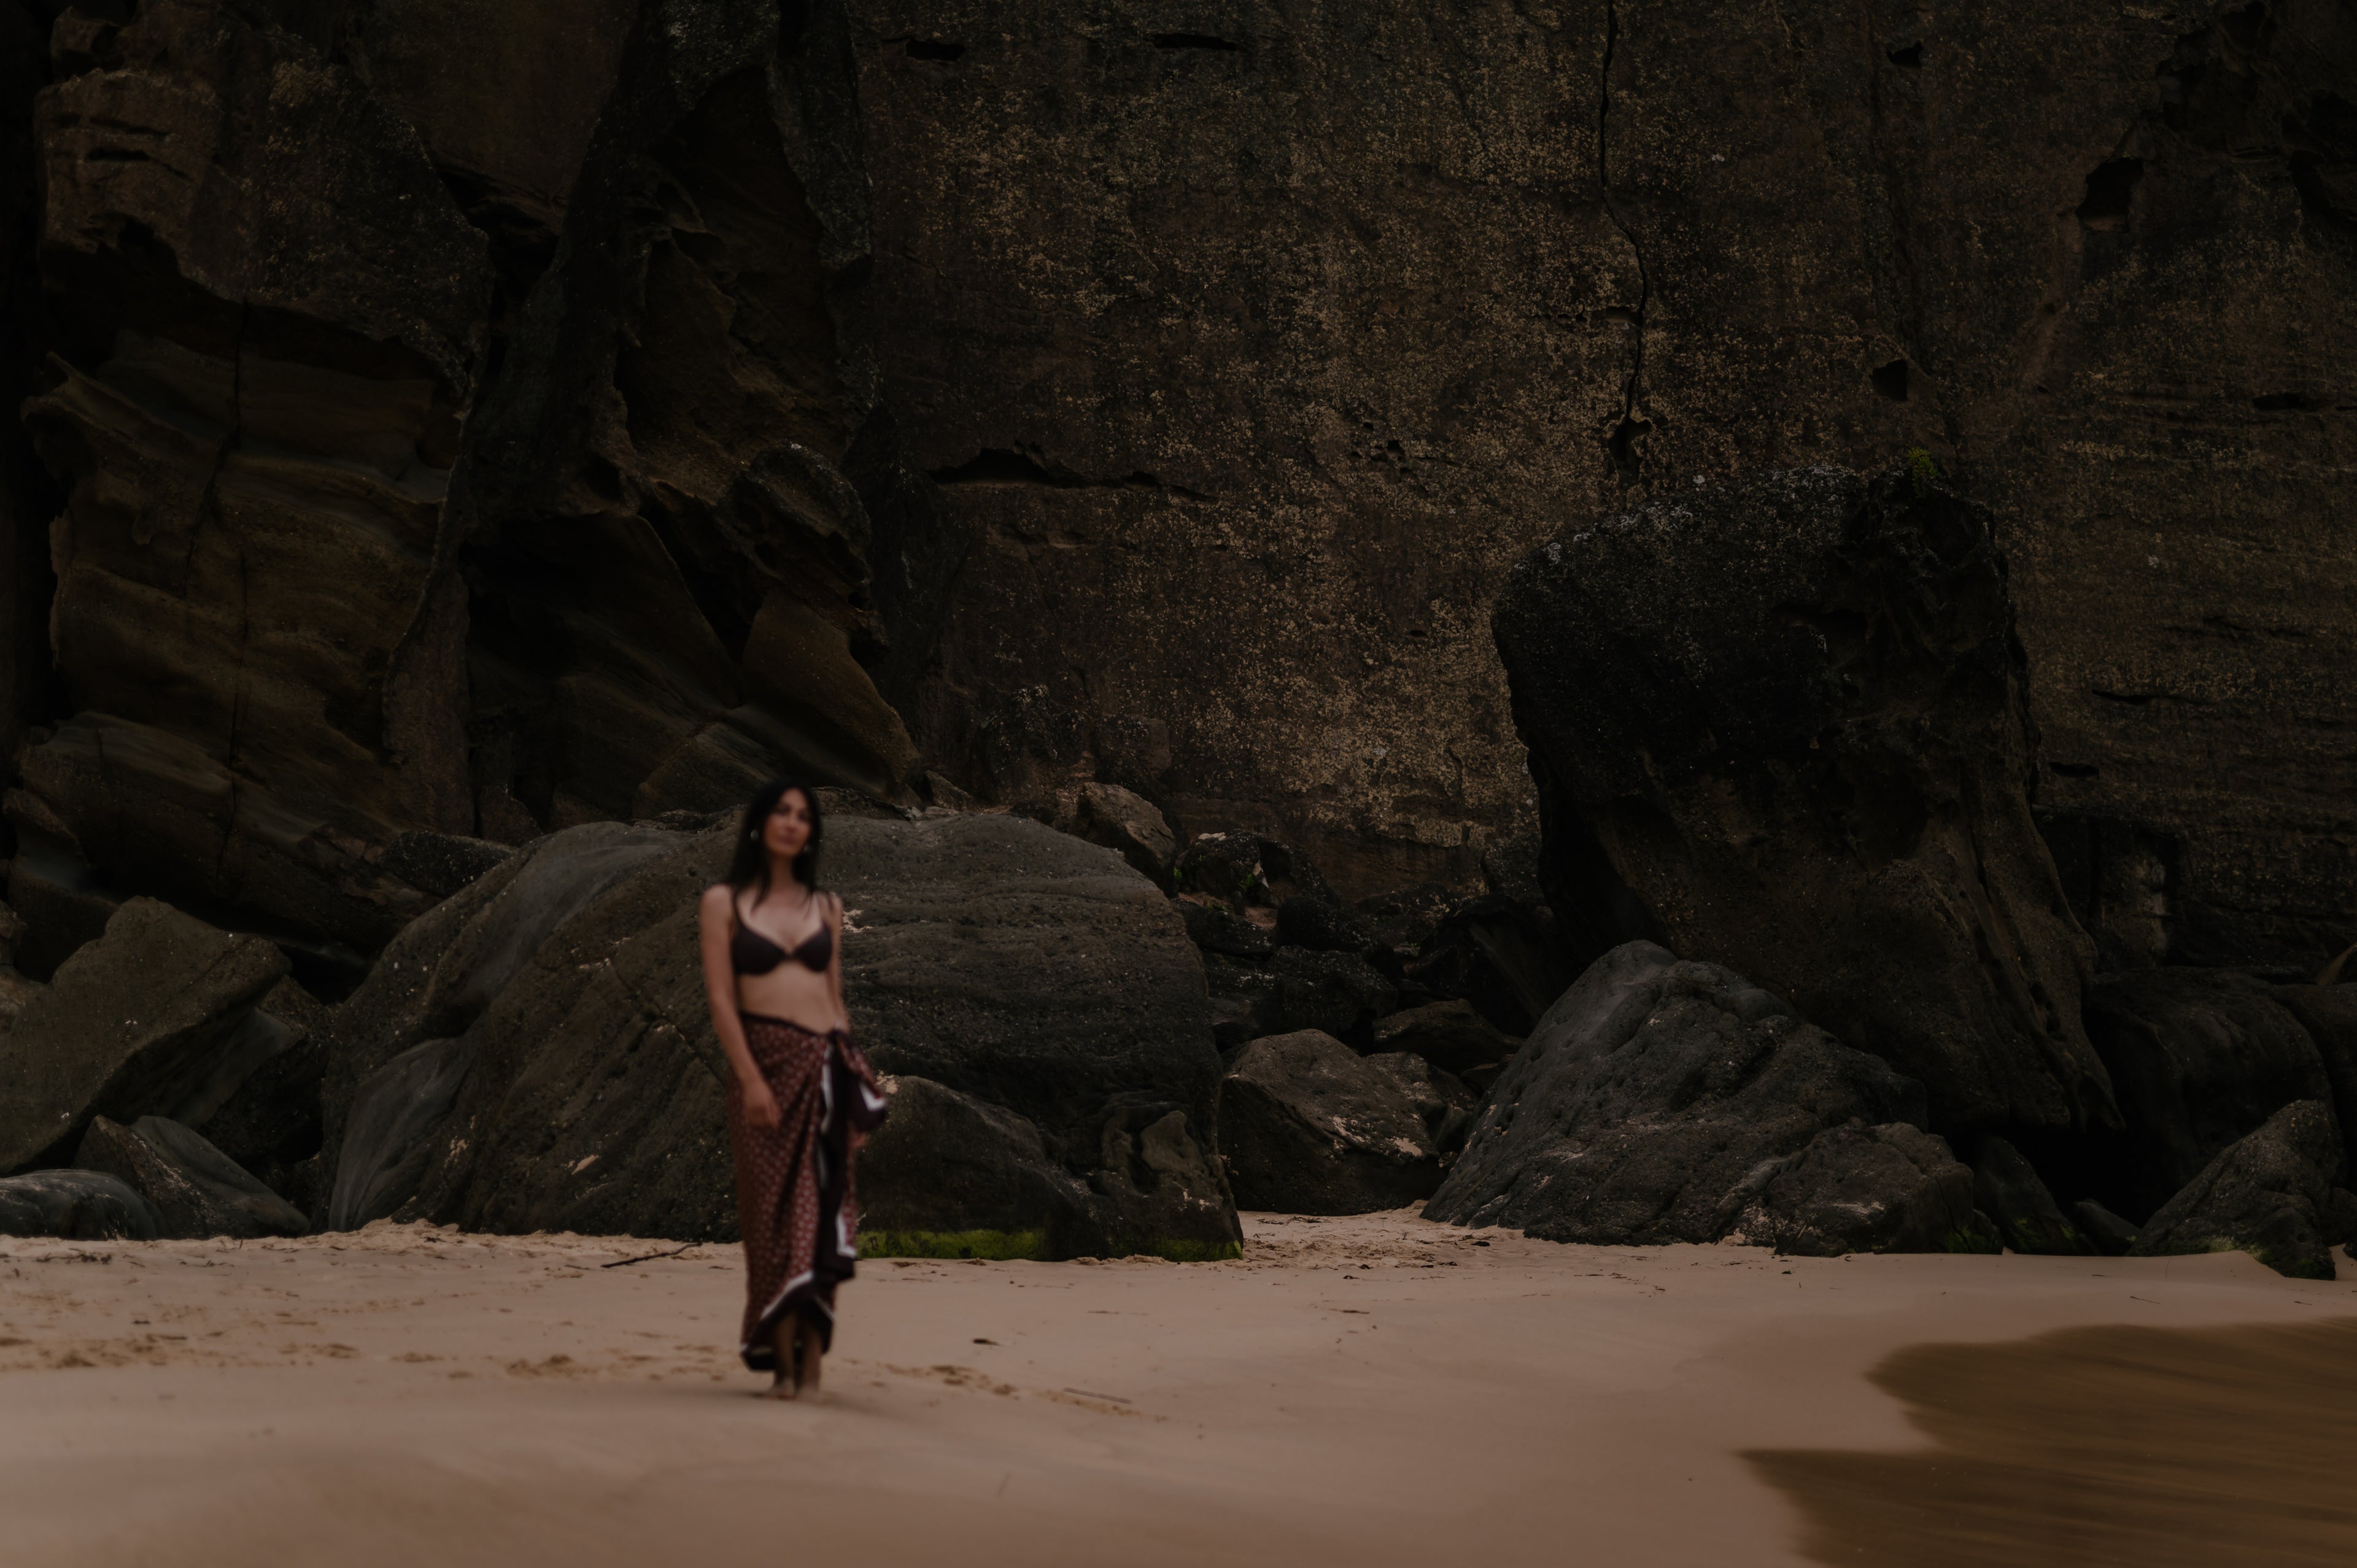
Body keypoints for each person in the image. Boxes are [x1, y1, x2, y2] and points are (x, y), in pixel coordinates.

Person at [698, 780, 887, 1400]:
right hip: (763, 1068)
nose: (792, 821)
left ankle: (810, 1369)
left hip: (824, 1069)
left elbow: (836, 1001)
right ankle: (781, 1363)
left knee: (820, 1212)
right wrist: (751, 1078)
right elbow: (722, 1000)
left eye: (803, 815)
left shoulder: (826, 906)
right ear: (759, 823)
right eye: (781, 810)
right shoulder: (723, 902)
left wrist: (858, 1081)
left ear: (811, 833)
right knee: (770, 1223)